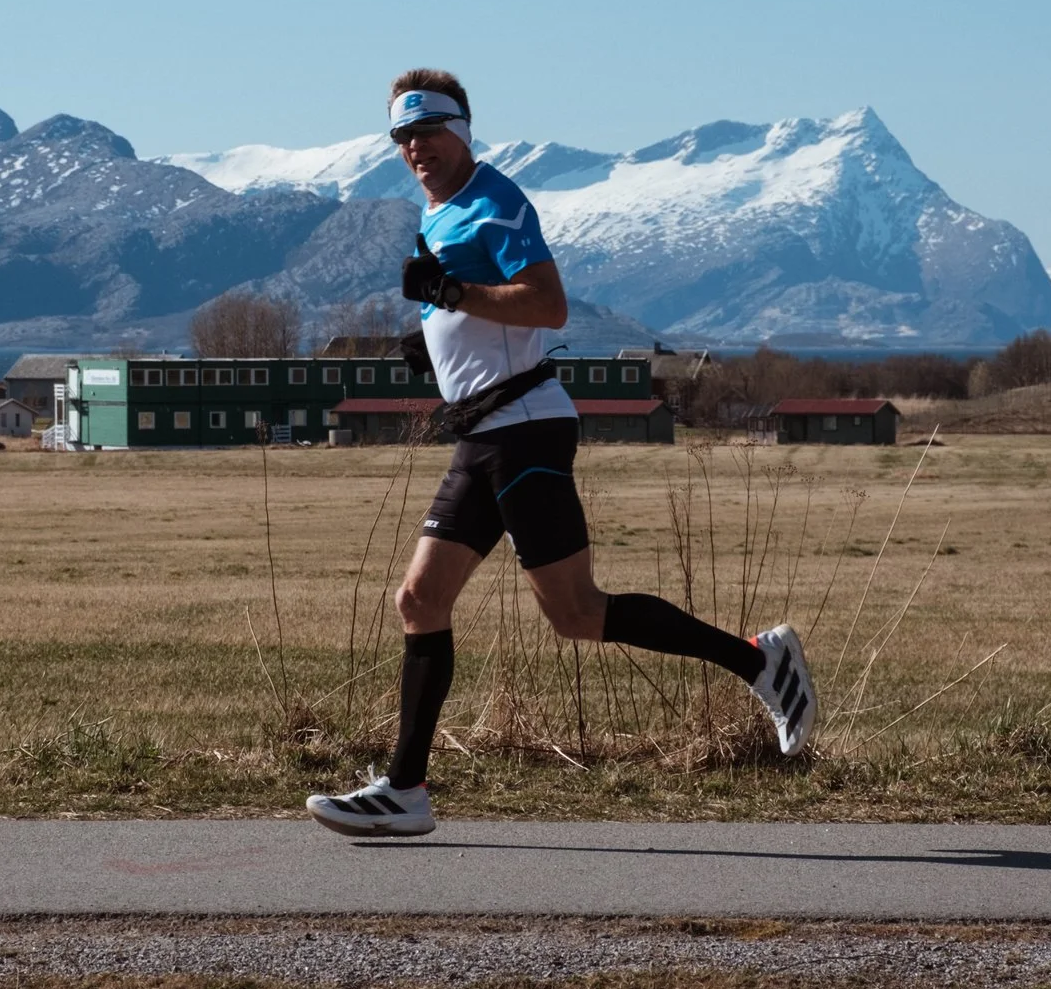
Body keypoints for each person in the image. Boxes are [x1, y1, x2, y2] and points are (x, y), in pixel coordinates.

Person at [305, 70, 816, 838]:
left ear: (461, 131)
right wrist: (435, 336)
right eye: (403, 137)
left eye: (428, 131)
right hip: (483, 433)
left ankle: (759, 660)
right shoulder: (439, 211)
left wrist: (449, 297)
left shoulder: (495, 199)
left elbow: (547, 304)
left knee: (576, 611)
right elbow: (480, 303)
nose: (415, 148)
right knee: (419, 600)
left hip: (524, 430)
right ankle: (405, 791)